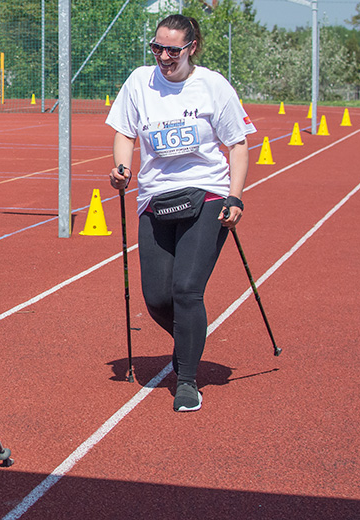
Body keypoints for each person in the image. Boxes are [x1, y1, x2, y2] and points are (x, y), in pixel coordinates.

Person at [106, 14, 256, 412]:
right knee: (156, 296)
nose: (164, 57)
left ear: (192, 48)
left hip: (207, 194)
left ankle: (186, 379)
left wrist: (236, 197)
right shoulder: (140, 81)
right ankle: (188, 339)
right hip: (155, 196)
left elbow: (237, 145)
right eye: (157, 48)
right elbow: (125, 131)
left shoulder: (212, 86)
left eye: (173, 50)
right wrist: (123, 168)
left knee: (187, 289)